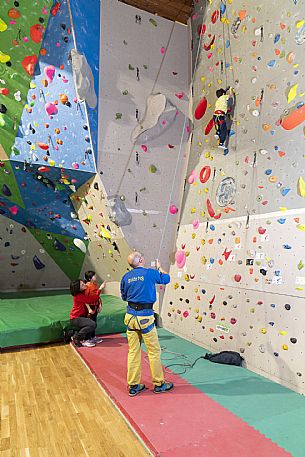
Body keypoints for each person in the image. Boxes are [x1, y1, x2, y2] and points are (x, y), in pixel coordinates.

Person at [120, 251, 174, 396]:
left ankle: (133, 386)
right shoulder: (151, 273)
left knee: (133, 352)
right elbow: (167, 278)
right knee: (154, 352)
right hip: (145, 317)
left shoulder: (125, 277)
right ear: (141, 260)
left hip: (130, 317)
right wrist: (159, 267)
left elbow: (124, 296)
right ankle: (159, 384)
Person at [69, 279, 104, 347]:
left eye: (83, 283)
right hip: (76, 318)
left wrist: (99, 304)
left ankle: (90, 338)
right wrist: (100, 289)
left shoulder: (82, 293)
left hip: (81, 316)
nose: (85, 285)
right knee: (92, 324)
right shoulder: (78, 296)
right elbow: (91, 299)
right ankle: (79, 339)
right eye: (82, 285)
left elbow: (94, 297)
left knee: (91, 321)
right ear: (78, 288)